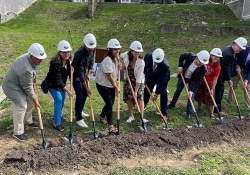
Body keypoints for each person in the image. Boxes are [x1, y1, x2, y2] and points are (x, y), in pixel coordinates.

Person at [2, 43, 47, 142]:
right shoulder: (26, 68)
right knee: (21, 105)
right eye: (39, 59)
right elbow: (28, 87)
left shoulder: (32, 59)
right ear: (31, 56)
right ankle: (18, 132)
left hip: (21, 82)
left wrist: (33, 79)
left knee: (30, 99)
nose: (41, 61)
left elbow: (31, 76)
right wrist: (36, 100)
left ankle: (28, 121)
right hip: (11, 86)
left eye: (42, 58)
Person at [167, 50, 209, 121]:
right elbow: (181, 56)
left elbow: (197, 81)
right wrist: (180, 66)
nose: (201, 64)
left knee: (191, 96)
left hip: (192, 80)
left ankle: (189, 113)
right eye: (200, 62)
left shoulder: (203, 69)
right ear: (197, 57)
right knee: (178, 90)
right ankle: (172, 103)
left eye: (203, 63)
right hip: (183, 75)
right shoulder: (190, 56)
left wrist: (191, 91)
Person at [44, 40, 73, 132]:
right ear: (59, 52)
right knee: (59, 100)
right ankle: (56, 123)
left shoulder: (68, 62)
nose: (66, 54)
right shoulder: (55, 63)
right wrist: (68, 91)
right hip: (52, 84)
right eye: (64, 52)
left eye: (68, 52)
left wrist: (71, 72)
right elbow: (58, 80)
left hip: (61, 85)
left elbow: (67, 75)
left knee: (62, 100)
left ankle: (59, 115)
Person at [214, 37, 247, 115]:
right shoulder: (228, 54)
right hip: (219, 74)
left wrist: (236, 66)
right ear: (235, 45)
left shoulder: (230, 49)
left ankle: (214, 106)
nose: (240, 50)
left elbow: (233, 60)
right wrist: (229, 79)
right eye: (239, 48)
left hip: (221, 72)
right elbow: (225, 68)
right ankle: (217, 109)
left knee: (219, 90)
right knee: (220, 90)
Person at [95, 39, 121, 134]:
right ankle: (110, 126)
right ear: (110, 50)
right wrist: (117, 87)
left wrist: (120, 68)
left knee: (111, 103)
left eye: (118, 49)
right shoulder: (107, 60)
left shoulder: (117, 58)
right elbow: (109, 77)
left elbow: (117, 71)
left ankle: (102, 117)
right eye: (115, 49)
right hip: (102, 84)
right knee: (109, 103)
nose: (117, 51)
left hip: (111, 84)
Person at [71, 33, 97, 128]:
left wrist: (89, 73)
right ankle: (78, 118)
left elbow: (91, 62)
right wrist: (86, 88)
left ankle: (80, 110)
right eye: (89, 47)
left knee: (85, 94)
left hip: (84, 73)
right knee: (81, 93)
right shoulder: (79, 55)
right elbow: (80, 75)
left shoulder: (93, 49)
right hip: (76, 75)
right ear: (85, 44)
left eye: (92, 47)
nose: (91, 49)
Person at [120, 41, 148, 123]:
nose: (137, 54)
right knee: (128, 97)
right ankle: (131, 116)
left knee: (139, 97)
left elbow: (139, 77)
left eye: (139, 52)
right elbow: (119, 56)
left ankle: (141, 118)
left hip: (138, 80)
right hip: (128, 79)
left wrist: (135, 91)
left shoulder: (141, 62)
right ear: (131, 51)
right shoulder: (126, 55)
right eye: (136, 52)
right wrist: (122, 65)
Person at [144, 48, 170, 122]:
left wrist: (156, 94)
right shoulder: (148, 56)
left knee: (163, 92)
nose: (157, 63)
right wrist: (145, 78)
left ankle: (164, 113)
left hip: (162, 78)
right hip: (151, 75)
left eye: (159, 62)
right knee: (147, 89)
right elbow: (145, 68)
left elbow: (161, 81)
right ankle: (143, 105)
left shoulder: (165, 66)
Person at [195, 48, 222, 119]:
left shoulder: (218, 67)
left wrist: (213, 88)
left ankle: (211, 113)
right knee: (199, 94)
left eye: (218, 57)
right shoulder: (206, 61)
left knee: (211, 97)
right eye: (214, 56)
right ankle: (199, 107)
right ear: (211, 56)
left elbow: (216, 79)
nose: (216, 58)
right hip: (202, 80)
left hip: (210, 83)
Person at [226, 45, 250, 110]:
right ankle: (228, 102)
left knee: (247, 87)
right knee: (232, 85)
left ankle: (249, 106)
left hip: (246, 72)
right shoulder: (244, 49)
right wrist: (236, 66)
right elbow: (233, 58)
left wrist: (246, 80)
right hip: (236, 71)